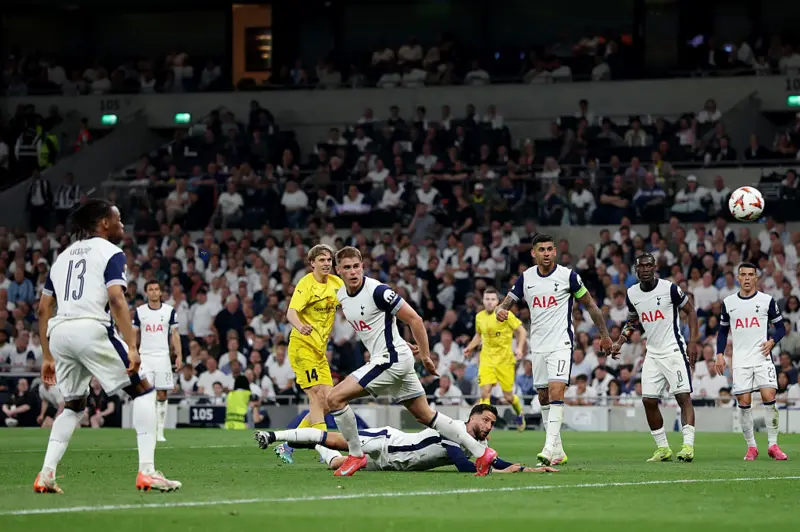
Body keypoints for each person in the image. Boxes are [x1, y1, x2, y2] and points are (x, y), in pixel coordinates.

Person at [33, 199, 180, 494]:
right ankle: (148, 472)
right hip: (90, 327)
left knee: (74, 405)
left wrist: (47, 355)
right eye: (118, 219)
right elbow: (116, 299)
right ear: (104, 223)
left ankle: (46, 474)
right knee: (144, 390)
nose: (122, 225)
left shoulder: (61, 258)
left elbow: (43, 309)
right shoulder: (111, 252)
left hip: (60, 332)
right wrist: (133, 346)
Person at [322, 246, 497, 477]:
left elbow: (414, 319)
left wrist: (424, 355)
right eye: (347, 268)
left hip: (390, 360)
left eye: (356, 266)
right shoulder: (341, 294)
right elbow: (380, 327)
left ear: (362, 266)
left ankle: (355, 455)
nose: (353, 272)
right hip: (395, 356)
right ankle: (481, 452)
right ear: (338, 270)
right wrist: (402, 343)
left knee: (334, 398)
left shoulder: (378, 291)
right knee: (425, 415)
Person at [497, 234, 611, 466]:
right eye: (542, 249)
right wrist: (501, 309)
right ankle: (558, 450)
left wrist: (605, 335)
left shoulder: (568, 277)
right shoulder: (526, 278)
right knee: (543, 397)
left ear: (555, 252)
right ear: (534, 253)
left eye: (550, 249)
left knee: (557, 390)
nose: (547, 253)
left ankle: (548, 449)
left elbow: (590, 305)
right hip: (538, 346)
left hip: (561, 343)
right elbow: (508, 300)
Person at [256, 404, 558, 474]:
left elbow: (495, 461)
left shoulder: (480, 444)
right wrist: (499, 472)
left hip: (394, 465)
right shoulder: (454, 429)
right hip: (389, 442)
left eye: (492, 423)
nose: (489, 427)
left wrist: (531, 469)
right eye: (486, 421)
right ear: (473, 418)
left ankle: (310, 444)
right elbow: (462, 466)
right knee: (338, 442)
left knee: (333, 461)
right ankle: (276, 436)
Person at [612, 253, 699, 463]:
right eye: (641, 266)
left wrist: (694, 341)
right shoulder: (632, 293)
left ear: (655, 267)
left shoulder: (669, 288)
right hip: (652, 353)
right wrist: (620, 342)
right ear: (636, 269)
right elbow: (633, 321)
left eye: (649, 265)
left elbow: (691, 311)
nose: (645, 269)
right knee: (648, 401)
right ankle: (663, 449)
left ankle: (688, 446)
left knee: (683, 397)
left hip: (673, 350)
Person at [715, 262, 788, 461]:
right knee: (744, 402)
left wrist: (772, 340)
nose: (747, 278)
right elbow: (722, 332)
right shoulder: (729, 303)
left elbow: (781, 328)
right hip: (740, 361)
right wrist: (719, 354)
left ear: (756, 278)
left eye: (750, 275)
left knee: (769, 396)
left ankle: (773, 445)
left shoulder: (767, 301)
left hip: (762, 358)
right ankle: (752, 447)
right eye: (743, 274)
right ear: (738, 278)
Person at [281, 245, 343, 460]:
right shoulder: (306, 283)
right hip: (302, 347)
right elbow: (291, 312)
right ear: (312, 263)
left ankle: (287, 445)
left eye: (329, 260)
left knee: (329, 403)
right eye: (322, 260)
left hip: (319, 351)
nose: (326, 263)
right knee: (317, 396)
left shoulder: (337, 283)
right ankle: (327, 450)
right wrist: (300, 326)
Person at [463, 287, 527, 430]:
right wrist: (471, 347)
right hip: (486, 359)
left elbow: (522, 331)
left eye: (493, 299)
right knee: (485, 393)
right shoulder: (479, 316)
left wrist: (519, 348)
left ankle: (520, 413)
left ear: (498, 301)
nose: (490, 302)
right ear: (483, 301)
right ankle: (483, 427)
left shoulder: (505, 314)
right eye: (487, 299)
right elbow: (478, 335)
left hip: (505, 360)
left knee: (509, 397)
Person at [133, 280, 182, 442]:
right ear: (146, 292)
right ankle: (148, 430)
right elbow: (134, 334)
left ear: (161, 292)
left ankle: (160, 431)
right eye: (150, 289)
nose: (154, 292)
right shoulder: (139, 312)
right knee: (146, 395)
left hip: (162, 357)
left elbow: (175, 334)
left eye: (156, 289)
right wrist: (131, 352)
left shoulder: (169, 311)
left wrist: (179, 355)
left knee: (162, 393)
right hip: (145, 357)